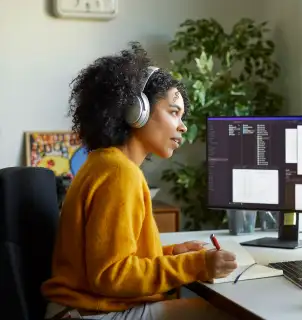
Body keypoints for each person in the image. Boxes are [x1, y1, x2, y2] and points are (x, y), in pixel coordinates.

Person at [41, 44, 238, 320]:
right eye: (173, 112)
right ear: (137, 111)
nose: (182, 126)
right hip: (89, 313)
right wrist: (196, 265)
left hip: (79, 310)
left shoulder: (104, 163)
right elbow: (112, 275)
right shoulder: (120, 173)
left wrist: (172, 254)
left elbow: (112, 258)